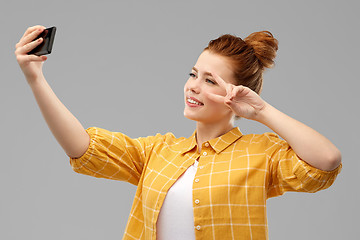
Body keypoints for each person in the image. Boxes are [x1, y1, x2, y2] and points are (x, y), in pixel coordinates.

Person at [15, 25, 342, 240]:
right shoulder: (158, 152)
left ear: (236, 94)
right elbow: (84, 148)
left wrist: (261, 111)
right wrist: (35, 77)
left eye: (210, 81)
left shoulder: (260, 154)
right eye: (193, 74)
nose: (193, 86)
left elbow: (326, 161)